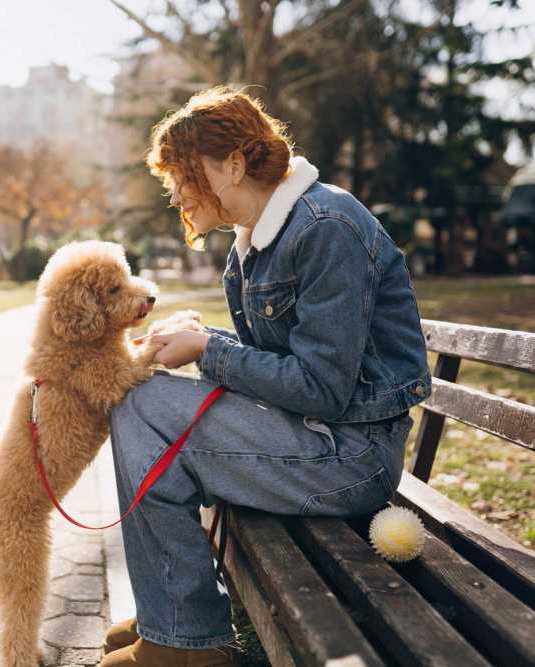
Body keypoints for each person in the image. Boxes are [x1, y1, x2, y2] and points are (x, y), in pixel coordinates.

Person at [100, 86, 431, 666]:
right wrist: (201, 341)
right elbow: (279, 372)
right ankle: (174, 615)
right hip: (310, 434)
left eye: (182, 174)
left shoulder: (327, 226)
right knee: (142, 397)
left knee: (144, 409)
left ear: (233, 165)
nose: (174, 192)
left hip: (351, 456)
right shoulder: (253, 245)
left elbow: (321, 388)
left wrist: (209, 350)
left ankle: (183, 638)